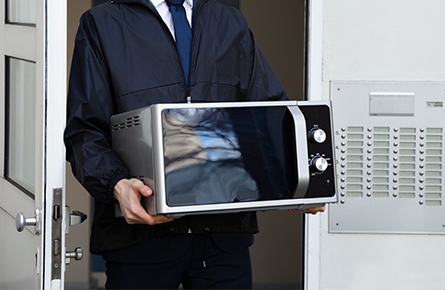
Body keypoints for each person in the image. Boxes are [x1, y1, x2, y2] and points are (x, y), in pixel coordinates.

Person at [64, 0, 325, 289]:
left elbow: (271, 110)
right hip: (140, 239)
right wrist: (117, 184)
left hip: (224, 238)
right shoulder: (101, 23)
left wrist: (299, 178)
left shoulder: (230, 21)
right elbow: (84, 130)